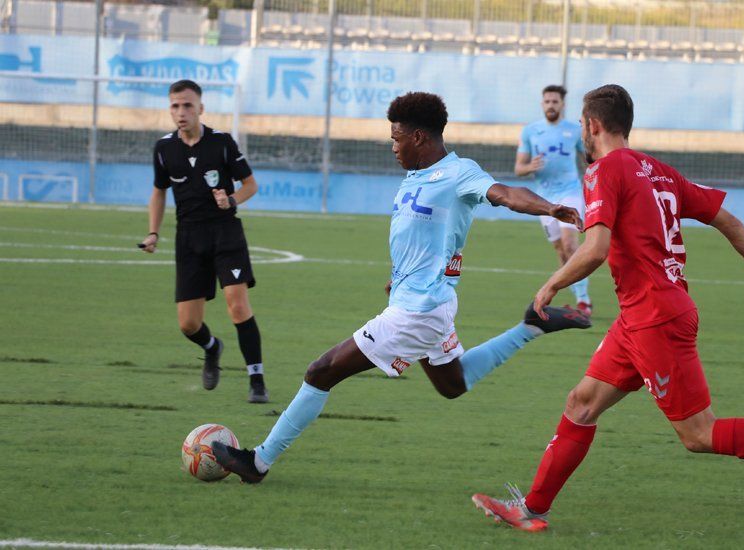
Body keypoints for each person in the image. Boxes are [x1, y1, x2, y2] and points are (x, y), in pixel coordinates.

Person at [471, 84, 744, 532]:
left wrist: (552, 283)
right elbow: (728, 219)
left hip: (655, 316)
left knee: (698, 434)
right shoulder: (658, 170)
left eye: (581, 122)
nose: (580, 129)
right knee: (581, 403)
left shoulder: (603, 172)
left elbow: (595, 248)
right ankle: (532, 508)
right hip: (641, 316)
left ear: (592, 125)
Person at [211, 91, 591, 482]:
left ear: (419, 138)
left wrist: (549, 207)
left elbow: (506, 194)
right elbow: (418, 237)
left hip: (418, 311)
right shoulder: (415, 176)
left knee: (320, 371)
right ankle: (530, 326)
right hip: (422, 300)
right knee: (452, 384)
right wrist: (401, 276)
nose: (392, 147)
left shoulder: (459, 173)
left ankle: (257, 463)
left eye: (396, 138)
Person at [140, 79, 268, 404]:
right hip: (189, 239)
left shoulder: (222, 143)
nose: (181, 112)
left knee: (237, 306)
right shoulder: (164, 148)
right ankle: (212, 348)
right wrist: (153, 232)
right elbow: (159, 192)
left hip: (226, 233)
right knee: (188, 324)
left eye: (187, 105)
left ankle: (256, 379)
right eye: (175, 106)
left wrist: (233, 200)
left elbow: (250, 184)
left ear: (200, 108)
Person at [516, 85, 592, 316]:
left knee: (570, 245)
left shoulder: (573, 130)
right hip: (544, 200)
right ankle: (570, 293)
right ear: (542, 104)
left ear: (562, 104)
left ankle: (583, 301)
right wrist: (530, 166)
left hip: (570, 193)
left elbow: (589, 157)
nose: (551, 105)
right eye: (547, 101)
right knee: (561, 251)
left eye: (555, 101)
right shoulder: (530, 131)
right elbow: (519, 168)